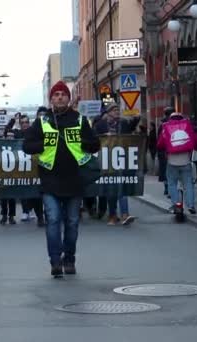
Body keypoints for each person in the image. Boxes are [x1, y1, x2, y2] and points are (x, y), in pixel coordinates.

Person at [23, 80, 100, 278]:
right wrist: (44, 144)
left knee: (72, 222)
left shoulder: (80, 120)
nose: (59, 97)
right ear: (51, 100)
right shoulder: (42, 121)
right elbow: (27, 146)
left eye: (63, 94)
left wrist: (80, 142)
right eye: (55, 95)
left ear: (69, 98)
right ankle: (55, 261)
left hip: (75, 180)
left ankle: (70, 258)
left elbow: (94, 144)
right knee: (54, 220)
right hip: (50, 180)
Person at [94, 103, 139, 225]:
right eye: (114, 110)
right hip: (107, 160)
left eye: (118, 110)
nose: (117, 112)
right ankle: (112, 215)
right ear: (108, 112)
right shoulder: (100, 125)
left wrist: (136, 117)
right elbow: (93, 139)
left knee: (121, 189)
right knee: (111, 190)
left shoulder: (123, 123)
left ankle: (125, 214)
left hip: (121, 159)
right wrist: (103, 136)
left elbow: (132, 128)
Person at [156, 111, 197, 215]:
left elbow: (160, 144)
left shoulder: (166, 127)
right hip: (185, 161)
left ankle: (177, 205)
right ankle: (190, 205)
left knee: (172, 184)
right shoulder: (187, 126)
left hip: (172, 162)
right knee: (188, 184)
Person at [18, 114, 45, 226]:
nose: (24, 124)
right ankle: (27, 211)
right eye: (22, 122)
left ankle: (40, 216)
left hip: (36, 166)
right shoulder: (17, 133)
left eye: (26, 122)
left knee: (37, 192)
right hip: (22, 168)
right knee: (27, 191)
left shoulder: (35, 132)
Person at [158, 107, 175, 196]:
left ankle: (167, 188)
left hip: (165, 151)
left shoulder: (163, 124)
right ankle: (172, 189)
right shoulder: (177, 123)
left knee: (166, 171)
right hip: (175, 151)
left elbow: (159, 140)